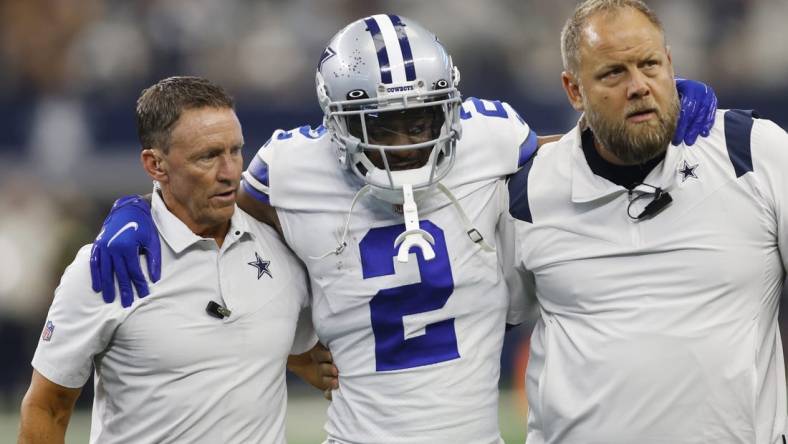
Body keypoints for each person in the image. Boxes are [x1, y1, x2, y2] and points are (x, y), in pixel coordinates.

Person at [86, 15, 717, 443]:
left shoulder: (489, 138)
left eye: (421, 120)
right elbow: (218, 218)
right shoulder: (292, 167)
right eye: (382, 125)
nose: (407, 142)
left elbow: (579, 157)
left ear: (450, 107)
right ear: (336, 121)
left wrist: (649, 116)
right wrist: (146, 206)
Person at [506, 1, 788, 442]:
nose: (638, 86)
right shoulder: (529, 191)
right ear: (574, 90)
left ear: (671, 63)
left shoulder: (751, 153)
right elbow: (487, 321)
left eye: (650, 64)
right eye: (612, 73)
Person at [18, 76, 327, 444]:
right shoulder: (106, 267)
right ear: (155, 165)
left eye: (235, 150)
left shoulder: (279, 249)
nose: (230, 172)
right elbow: (47, 407)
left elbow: (301, 355)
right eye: (208, 156)